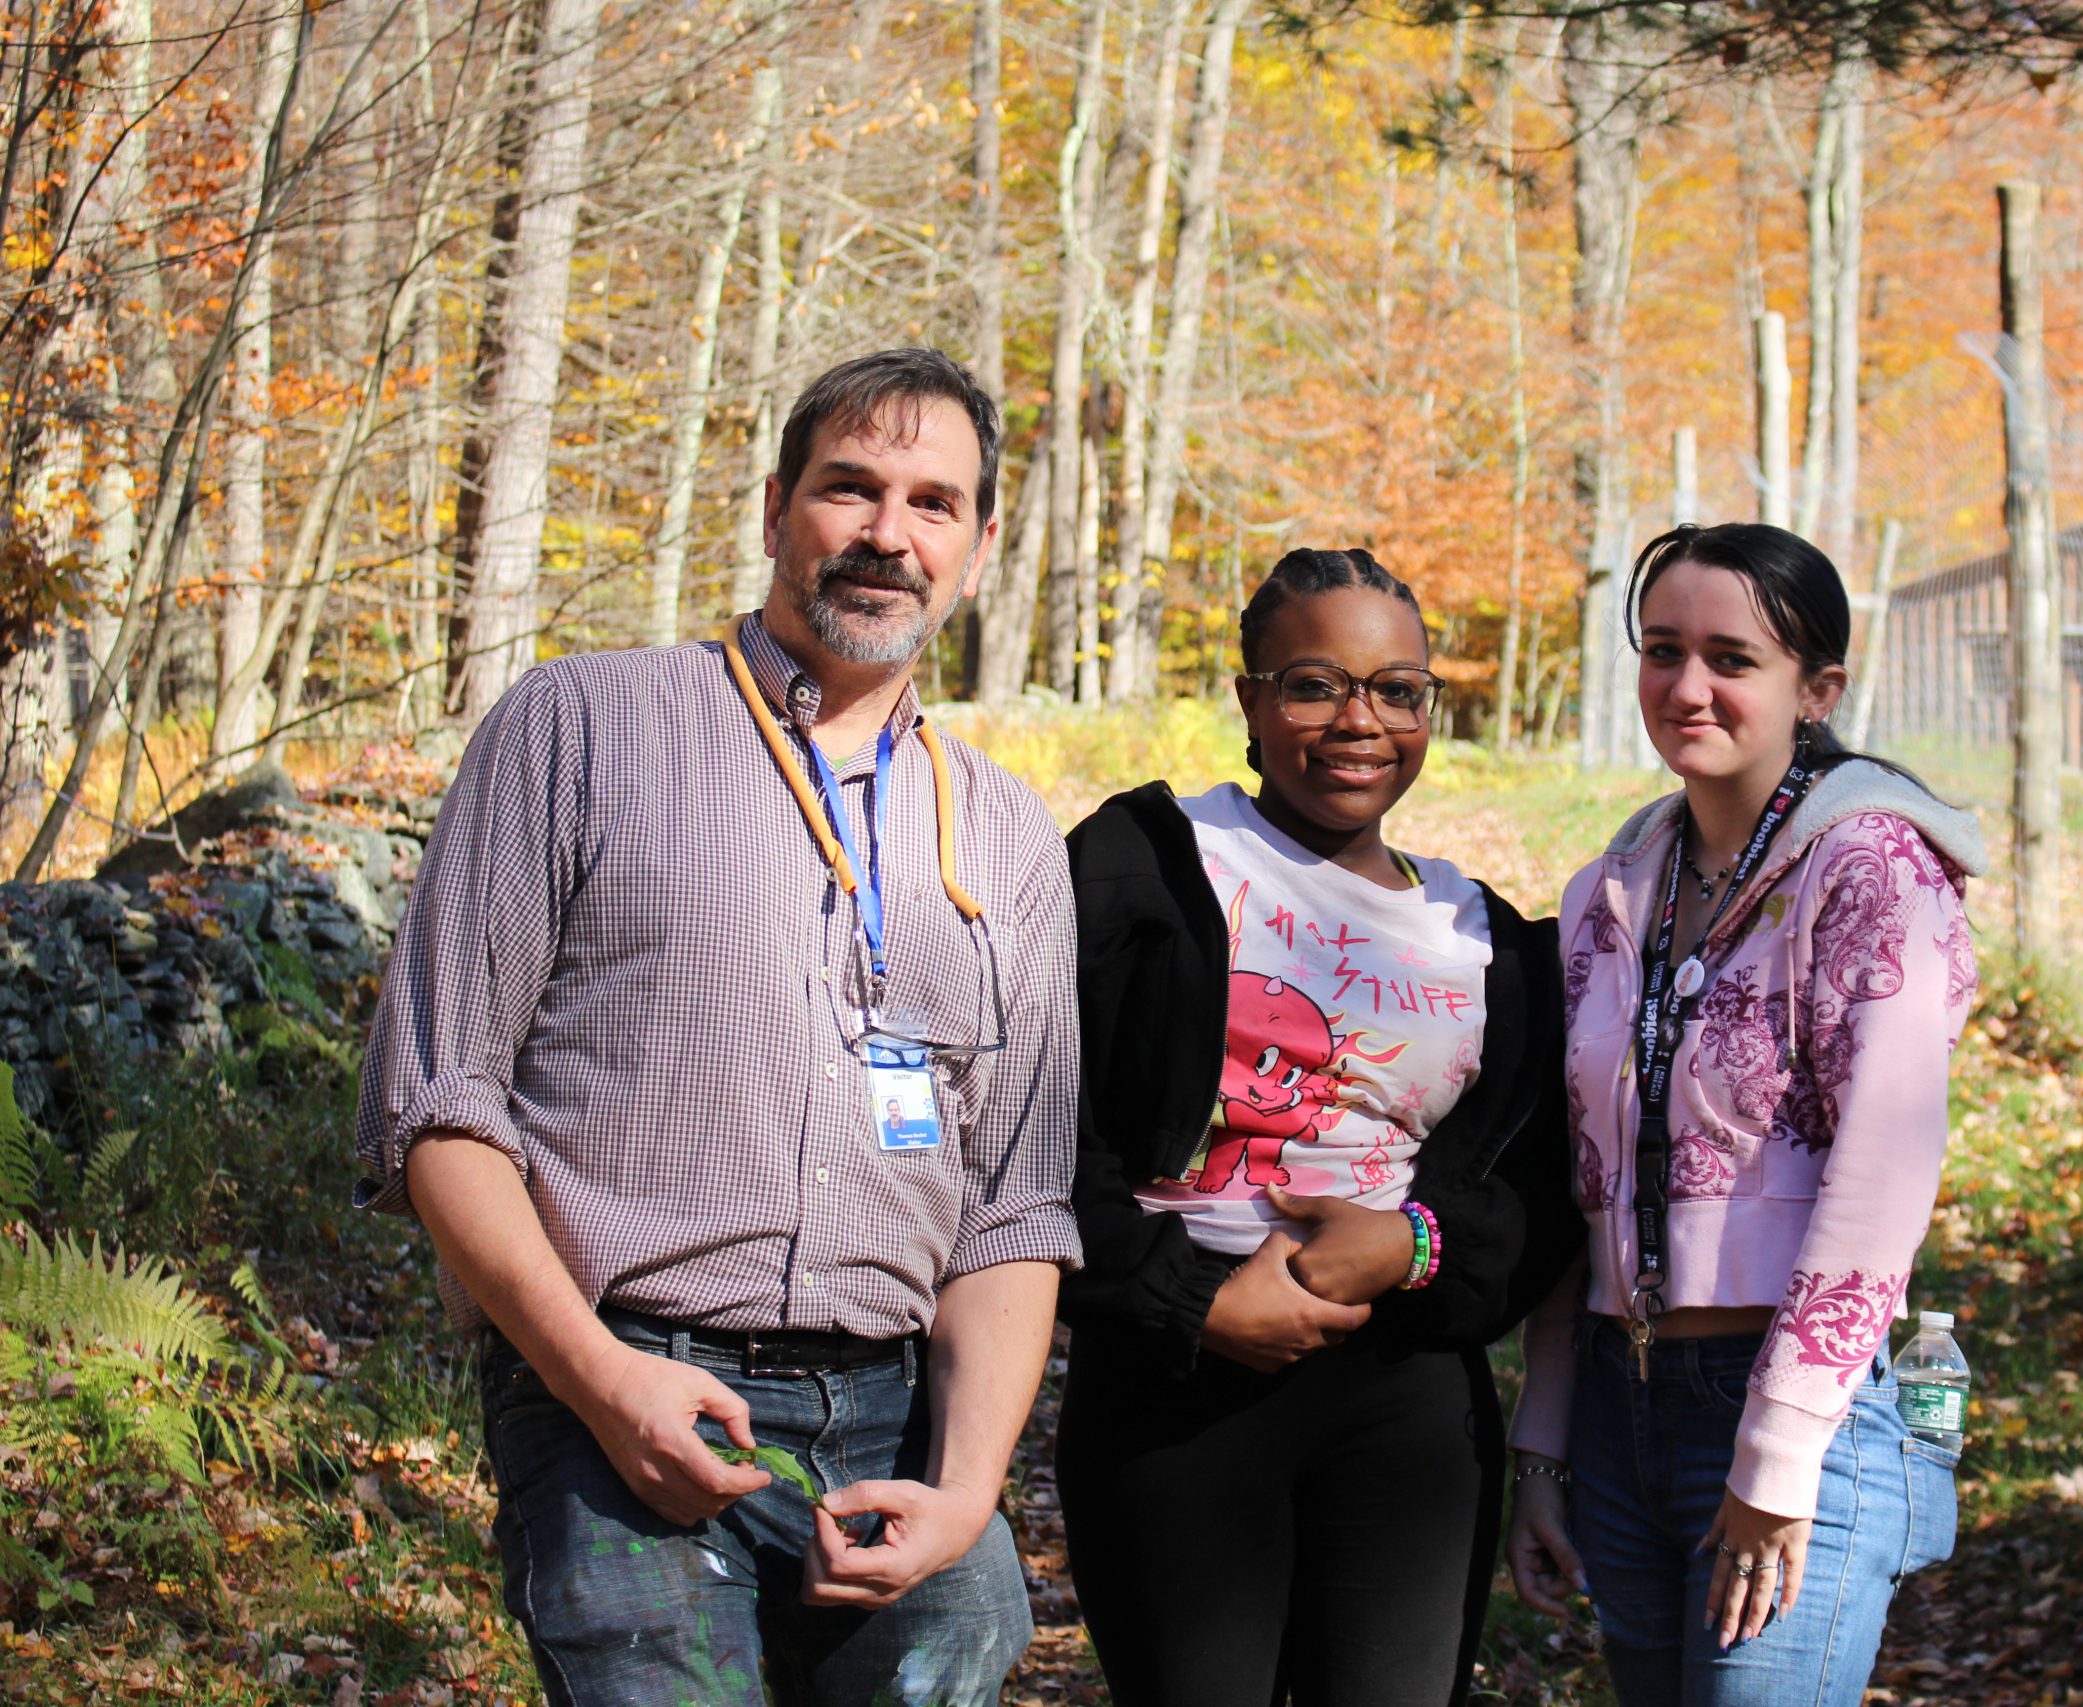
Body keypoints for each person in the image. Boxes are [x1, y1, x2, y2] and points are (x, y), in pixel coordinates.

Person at [354, 349, 1080, 1705]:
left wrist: (969, 1487)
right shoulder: (580, 728)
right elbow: (437, 1106)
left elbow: (1015, 1211)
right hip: (627, 1380)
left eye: (933, 502)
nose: (886, 533)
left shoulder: (1008, 837)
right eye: (848, 487)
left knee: (964, 1629)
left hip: (894, 1421)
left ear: (977, 550)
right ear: (772, 509)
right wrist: (597, 1376)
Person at [1056, 548, 1581, 1707]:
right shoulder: (1143, 863)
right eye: (1313, 683)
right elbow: (1030, 1135)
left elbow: (1538, 1192)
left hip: (1404, 1397)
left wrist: (1416, 1244)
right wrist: (1192, 1300)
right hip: (1174, 1391)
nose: (1361, 721)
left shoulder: (1484, 934)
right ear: (1248, 700)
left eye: (1399, 689)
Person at [1505, 522, 1981, 1706]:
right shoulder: (1610, 893)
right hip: (1622, 1405)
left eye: (1732, 657)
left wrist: (1777, 1454)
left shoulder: (1870, 871)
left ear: (1816, 688)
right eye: (1662, 650)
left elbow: (1881, 1177)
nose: (1687, 686)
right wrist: (1547, 1440)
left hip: (1787, 1411)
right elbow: (1584, 1181)